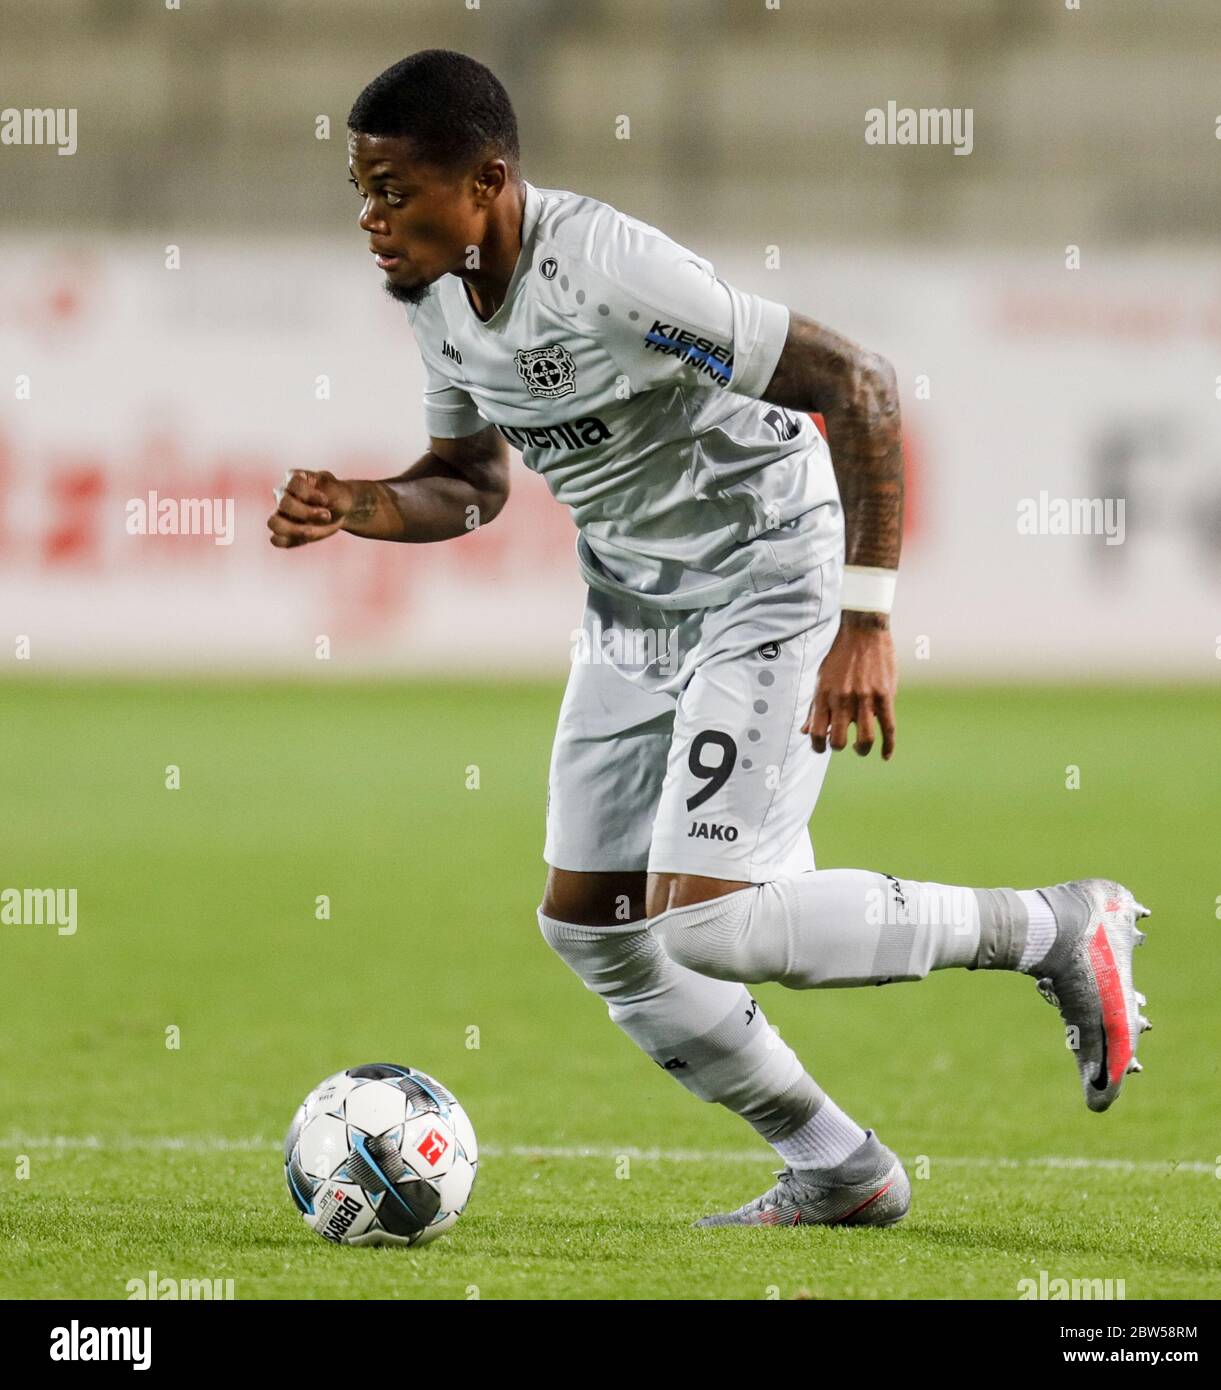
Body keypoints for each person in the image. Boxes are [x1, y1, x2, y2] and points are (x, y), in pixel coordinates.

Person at [269, 49, 1150, 1228]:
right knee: (593, 929)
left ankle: (1053, 925)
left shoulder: (609, 272)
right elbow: (471, 482)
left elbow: (861, 383)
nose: (372, 222)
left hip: (764, 572)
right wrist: (365, 505)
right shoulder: (439, 298)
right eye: (359, 192)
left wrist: (866, 613)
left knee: (716, 917)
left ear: (485, 180)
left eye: (393, 191)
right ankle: (842, 1168)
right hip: (633, 609)